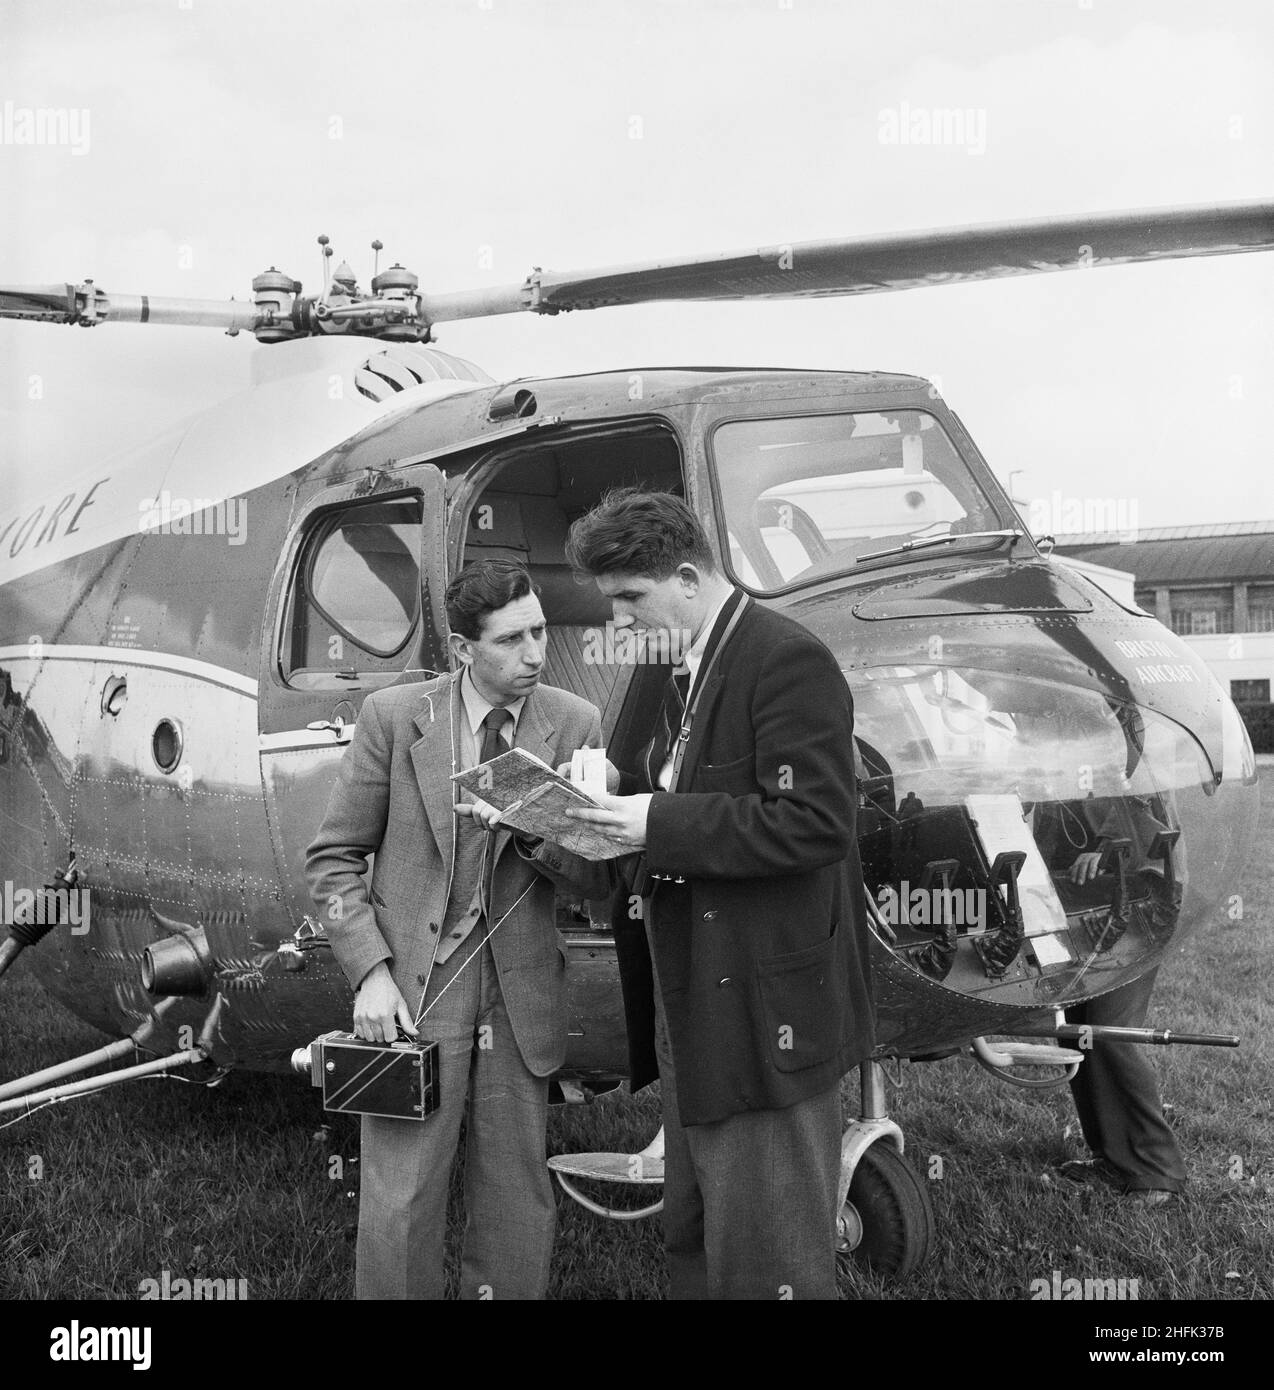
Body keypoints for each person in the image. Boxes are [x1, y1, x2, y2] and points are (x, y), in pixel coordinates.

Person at [562, 488, 874, 1300]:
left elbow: (814, 822)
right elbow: (680, 793)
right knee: (696, 1229)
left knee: (768, 1252)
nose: (621, 622)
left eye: (632, 599)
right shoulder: (677, 665)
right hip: (695, 998)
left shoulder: (785, 660)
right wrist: (609, 791)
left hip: (764, 1012)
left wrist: (650, 821)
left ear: (690, 578)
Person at [305, 557, 610, 1298]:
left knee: (515, 1198)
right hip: (418, 987)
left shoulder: (575, 722)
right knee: (401, 1196)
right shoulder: (394, 716)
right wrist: (370, 972)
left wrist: (537, 826)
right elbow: (332, 861)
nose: (536, 653)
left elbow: (599, 880)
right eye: (511, 640)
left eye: (540, 631)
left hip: (518, 988)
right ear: (464, 650)